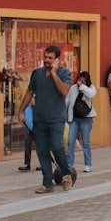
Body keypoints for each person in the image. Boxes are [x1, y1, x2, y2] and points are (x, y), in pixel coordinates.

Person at [16, 45, 73, 193]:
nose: (46, 60)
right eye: (45, 57)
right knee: (42, 151)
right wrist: (21, 111)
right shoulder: (38, 74)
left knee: (56, 146)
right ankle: (48, 183)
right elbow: (30, 92)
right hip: (39, 119)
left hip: (55, 119)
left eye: (50, 58)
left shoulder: (64, 73)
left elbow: (64, 91)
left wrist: (54, 74)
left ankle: (66, 174)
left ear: (57, 60)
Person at [66, 71, 96, 174]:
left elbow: (91, 94)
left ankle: (88, 164)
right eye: (79, 80)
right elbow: (67, 101)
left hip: (86, 118)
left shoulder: (90, 88)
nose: (80, 82)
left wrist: (82, 87)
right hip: (74, 118)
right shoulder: (73, 88)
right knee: (71, 141)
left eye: (83, 81)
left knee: (86, 142)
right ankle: (69, 163)